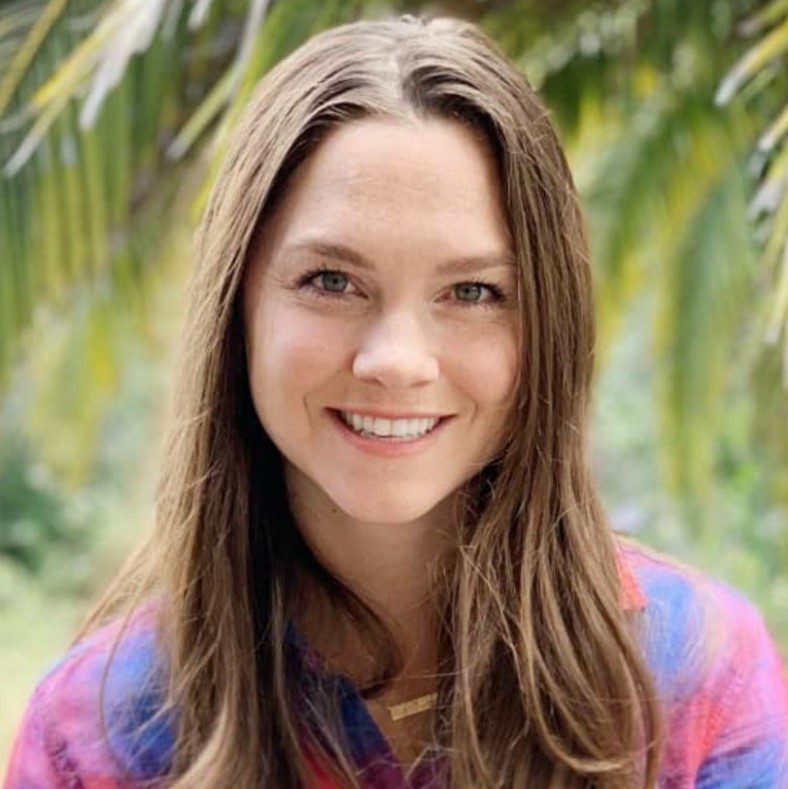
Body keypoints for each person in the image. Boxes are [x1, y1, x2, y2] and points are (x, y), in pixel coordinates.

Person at [4, 13, 786, 789]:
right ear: (238, 310)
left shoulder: (696, 681)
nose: (396, 361)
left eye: (472, 291)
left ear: (548, 325)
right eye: (331, 281)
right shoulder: (99, 735)